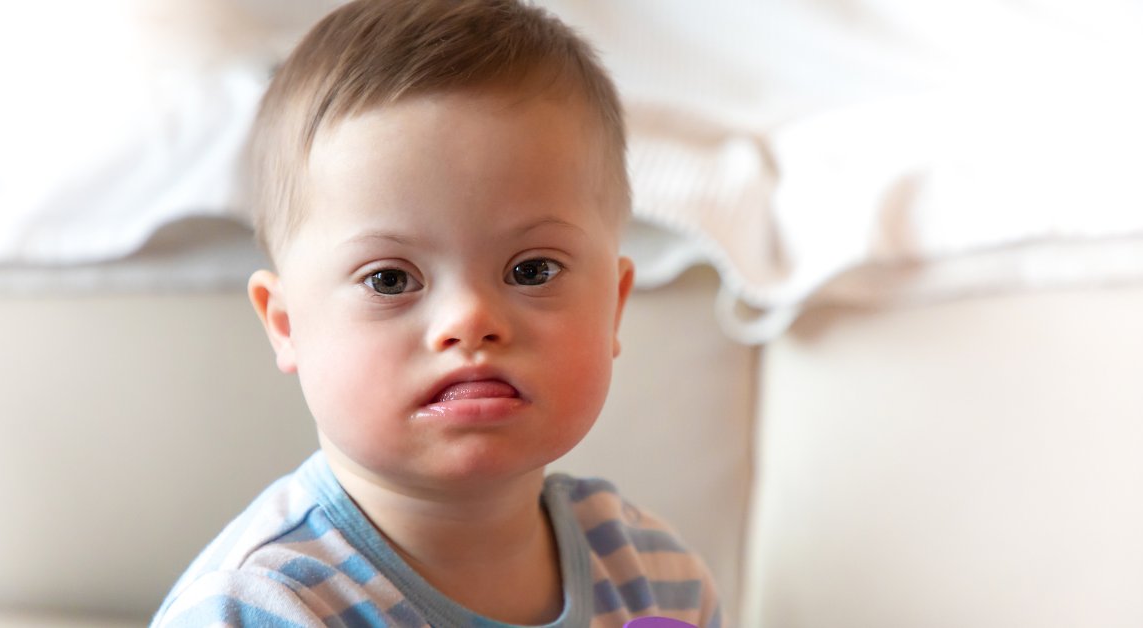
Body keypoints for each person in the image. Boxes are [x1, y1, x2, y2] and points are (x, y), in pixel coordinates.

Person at [152, 1, 721, 625]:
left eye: (532, 270)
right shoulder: (265, 606)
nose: (471, 318)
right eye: (390, 279)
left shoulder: (653, 576)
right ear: (287, 325)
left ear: (613, 307)